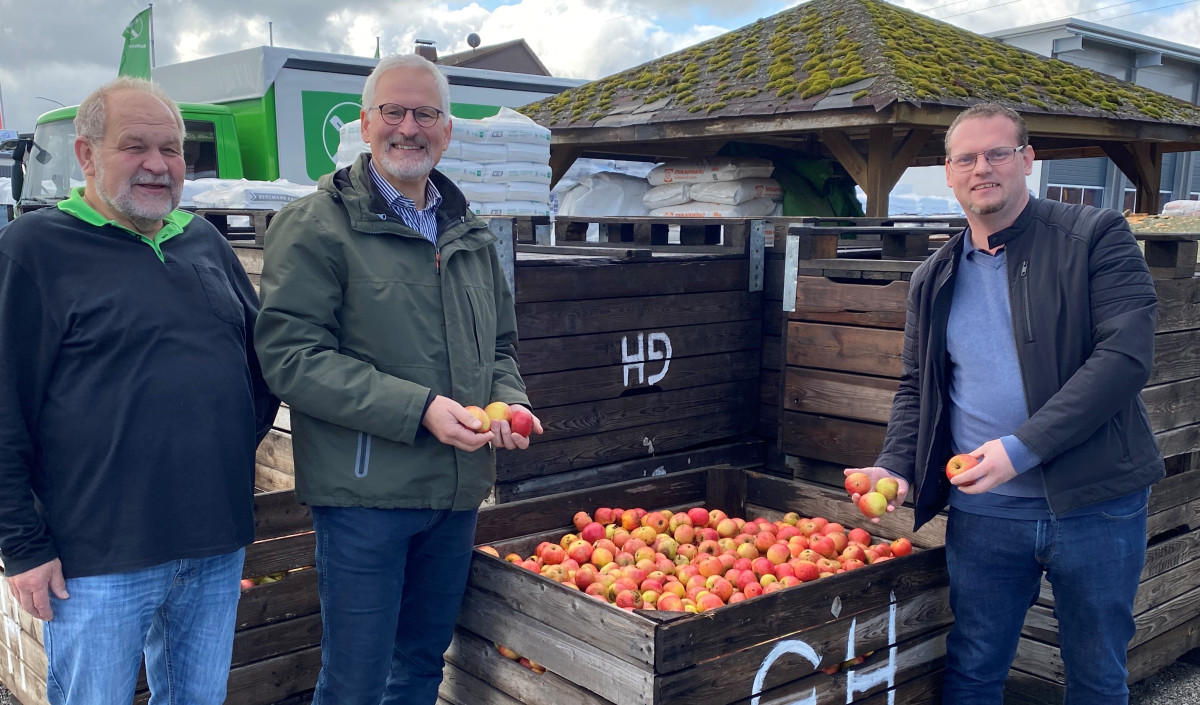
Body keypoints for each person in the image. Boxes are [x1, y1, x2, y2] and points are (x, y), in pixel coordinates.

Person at [846, 102, 1163, 704]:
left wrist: (1024, 449)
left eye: (997, 153)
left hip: (1096, 504)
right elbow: (918, 386)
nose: (981, 168)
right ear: (947, 171)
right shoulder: (934, 276)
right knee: (973, 668)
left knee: (1097, 675)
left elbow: (1125, 359)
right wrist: (894, 465)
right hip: (986, 513)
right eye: (965, 158)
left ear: (1027, 159)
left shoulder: (1095, 236)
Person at [254, 53, 542, 705]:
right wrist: (420, 409)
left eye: (426, 114)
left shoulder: (468, 233)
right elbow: (291, 356)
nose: (408, 127)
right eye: (394, 111)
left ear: (446, 130)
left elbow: (499, 347)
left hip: (455, 493)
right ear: (364, 124)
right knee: (355, 681)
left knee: (418, 666)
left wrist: (509, 402)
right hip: (365, 500)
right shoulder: (315, 226)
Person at [0, 77, 277, 704]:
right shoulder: (34, 250)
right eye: (136, 147)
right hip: (95, 558)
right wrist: (21, 546)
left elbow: (257, 373)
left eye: (173, 149)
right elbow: (3, 412)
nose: (158, 165)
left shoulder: (202, 241)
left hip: (212, 546)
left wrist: (218, 451)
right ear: (87, 155)